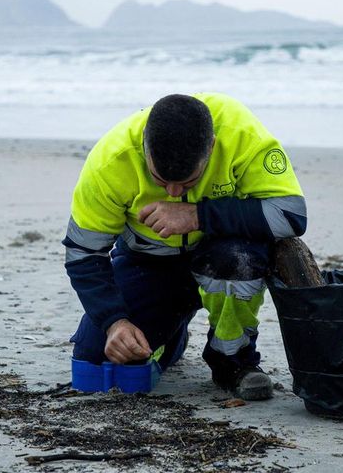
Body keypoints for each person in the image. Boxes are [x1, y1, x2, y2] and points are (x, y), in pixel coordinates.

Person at [62, 92, 306, 400]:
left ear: (212, 147)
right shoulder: (111, 161)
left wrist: (198, 215)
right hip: (149, 263)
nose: (173, 192)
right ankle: (174, 332)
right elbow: (83, 253)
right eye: (159, 180)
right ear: (144, 148)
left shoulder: (241, 133)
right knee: (98, 356)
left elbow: (291, 215)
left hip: (225, 256)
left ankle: (232, 361)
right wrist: (114, 322)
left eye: (188, 182)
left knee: (236, 260)